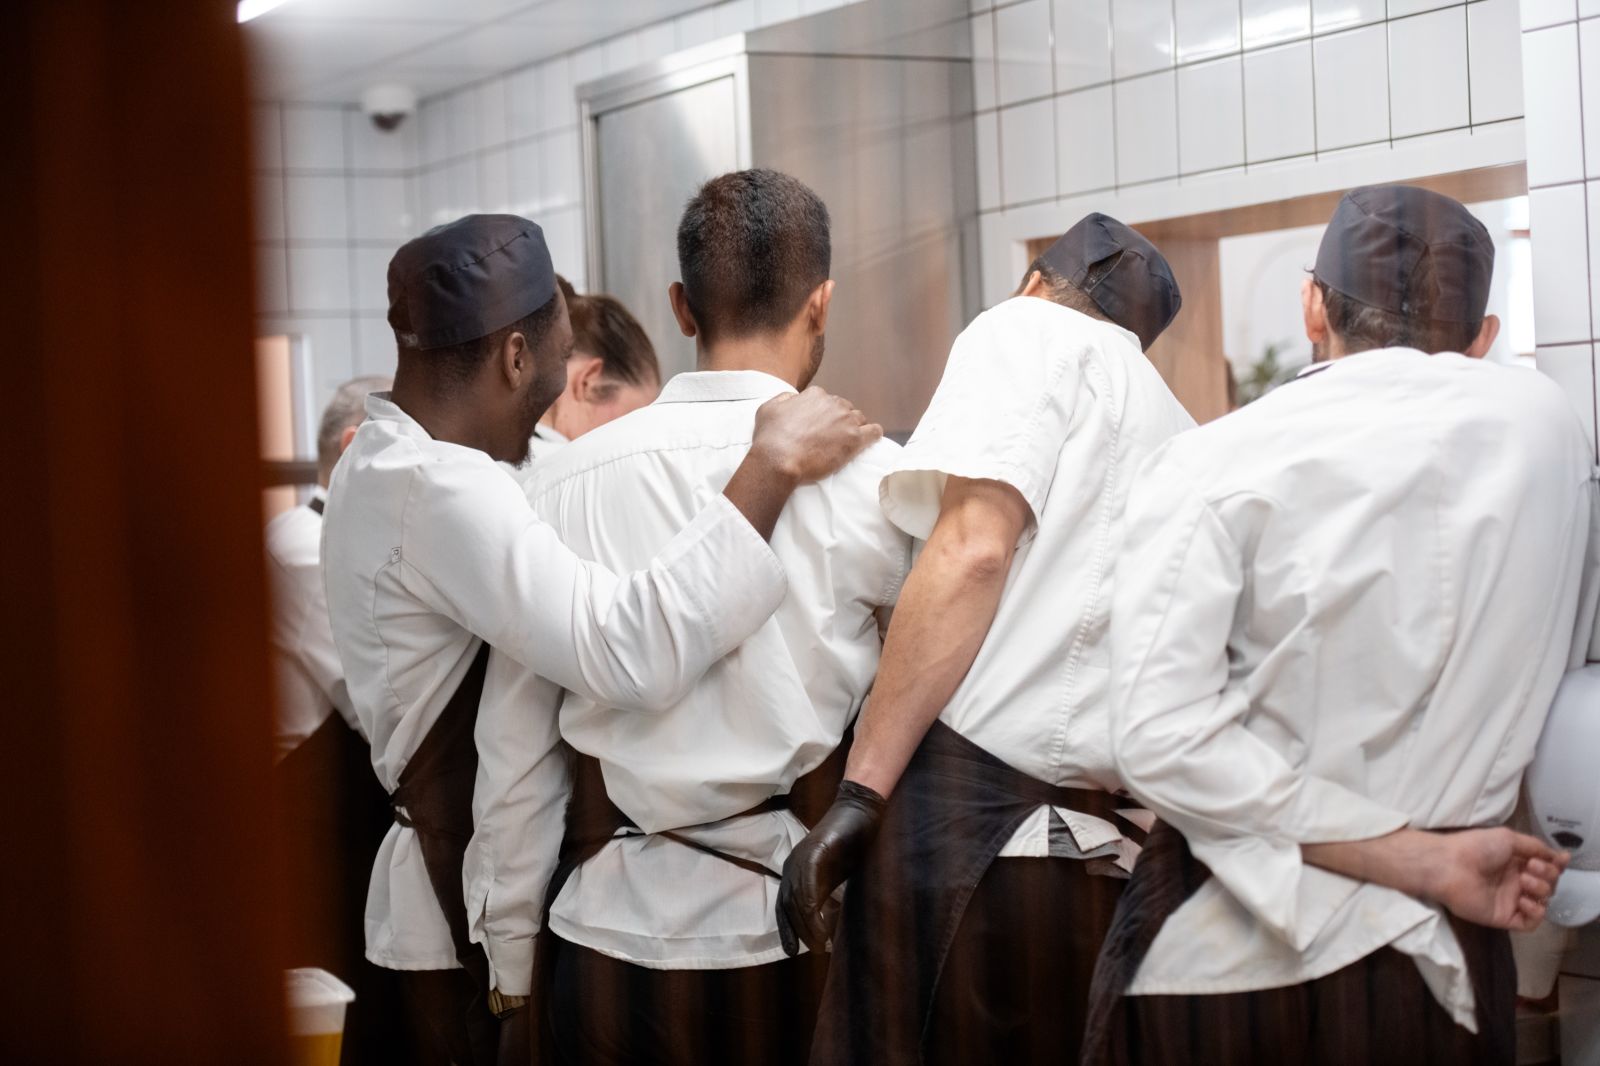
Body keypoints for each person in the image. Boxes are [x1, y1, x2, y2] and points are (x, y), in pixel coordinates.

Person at [321, 213, 880, 1066]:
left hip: (542, 918)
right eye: (550, 377)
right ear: (513, 358)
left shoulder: (403, 461)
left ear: (683, 309)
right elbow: (627, 650)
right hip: (455, 915)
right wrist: (764, 466)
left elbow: (520, 750)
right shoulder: (435, 488)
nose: (553, 414)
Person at [1081, 185, 1586, 1065]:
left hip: (1232, 962)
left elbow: (1158, 741)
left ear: (1313, 305)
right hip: (1452, 958)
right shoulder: (1555, 435)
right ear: (1484, 338)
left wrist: (1412, 859)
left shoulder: (1210, 461)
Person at [474, 168, 912, 1066]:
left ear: (679, 306)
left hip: (605, 940)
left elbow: (515, 752)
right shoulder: (877, 479)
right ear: (821, 304)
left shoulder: (563, 482)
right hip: (799, 931)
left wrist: (510, 960)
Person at [777, 213, 1191, 1064]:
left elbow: (971, 550)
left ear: (1036, 282)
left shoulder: (1028, 330)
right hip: (1100, 864)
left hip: (971, 854)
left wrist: (859, 797)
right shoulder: (1172, 422)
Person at [268, 373, 414, 1065]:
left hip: (346, 814)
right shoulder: (300, 546)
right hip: (302, 830)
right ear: (356, 447)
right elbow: (375, 705)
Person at [525, 277, 661, 463]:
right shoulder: (575, 472)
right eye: (629, 422)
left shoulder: (482, 458)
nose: (632, 440)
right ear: (587, 382)